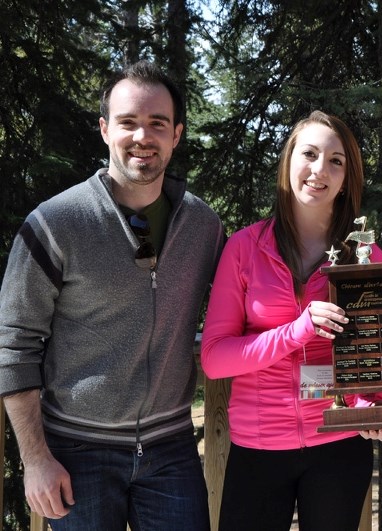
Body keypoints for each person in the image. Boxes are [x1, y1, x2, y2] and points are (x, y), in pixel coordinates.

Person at [0, 60, 224, 530]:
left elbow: (249, 297)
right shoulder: (54, 224)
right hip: (76, 452)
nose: (143, 135)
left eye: (157, 123)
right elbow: (13, 342)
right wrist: (35, 458)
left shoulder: (204, 226)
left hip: (172, 448)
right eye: (128, 122)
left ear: (177, 134)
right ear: (105, 130)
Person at [201, 110, 382, 531]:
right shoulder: (244, 247)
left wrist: (371, 407)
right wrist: (297, 331)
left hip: (338, 445)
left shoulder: (367, 256)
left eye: (335, 161)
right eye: (309, 154)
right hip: (258, 445)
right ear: (289, 161)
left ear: (348, 177)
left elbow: (375, 351)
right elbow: (216, 359)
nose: (319, 170)